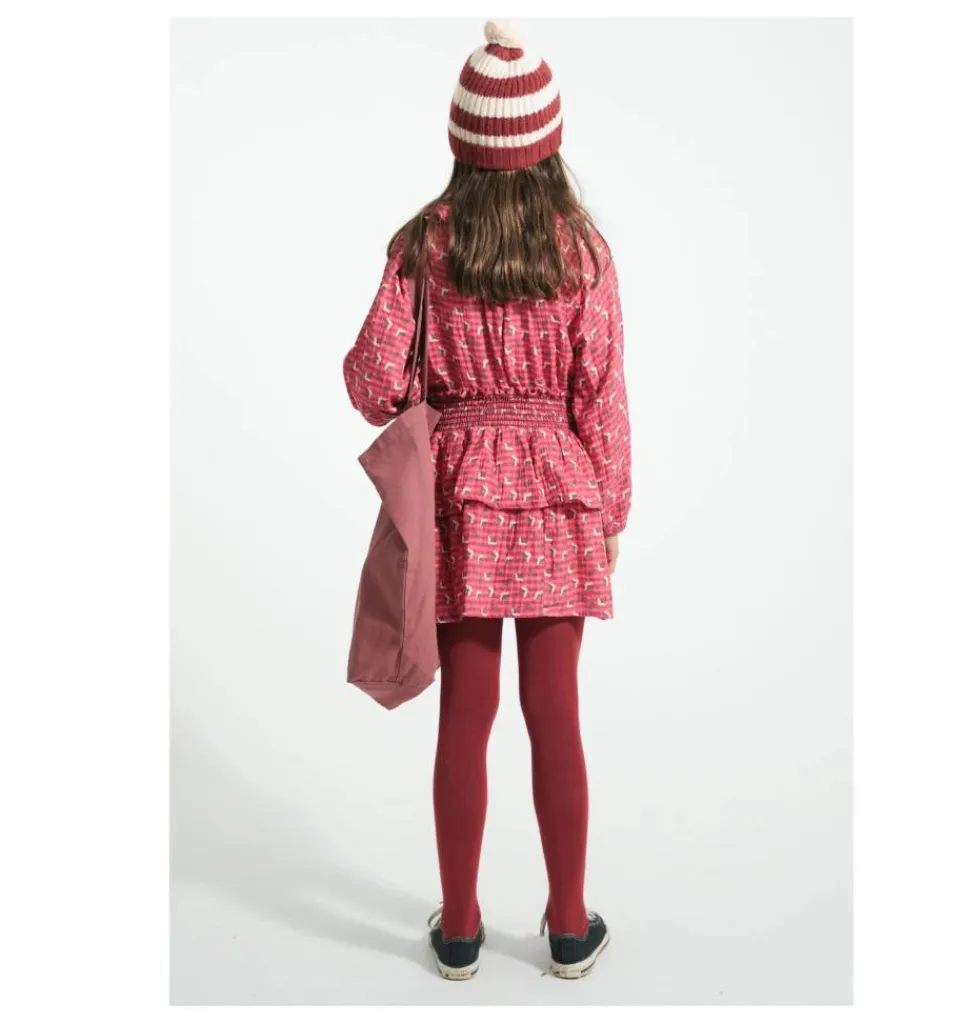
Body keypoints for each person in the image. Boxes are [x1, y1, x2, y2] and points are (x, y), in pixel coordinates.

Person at [343, 20, 631, 981]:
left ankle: (461, 928)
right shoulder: (583, 251)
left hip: (460, 497)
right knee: (556, 714)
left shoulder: (423, 245)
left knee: (465, 716)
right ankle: (568, 924)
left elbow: (371, 382)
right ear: (549, 140)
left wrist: (442, 388)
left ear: (462, 139)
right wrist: (611, 511)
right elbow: (602, 395)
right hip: (559, 497)